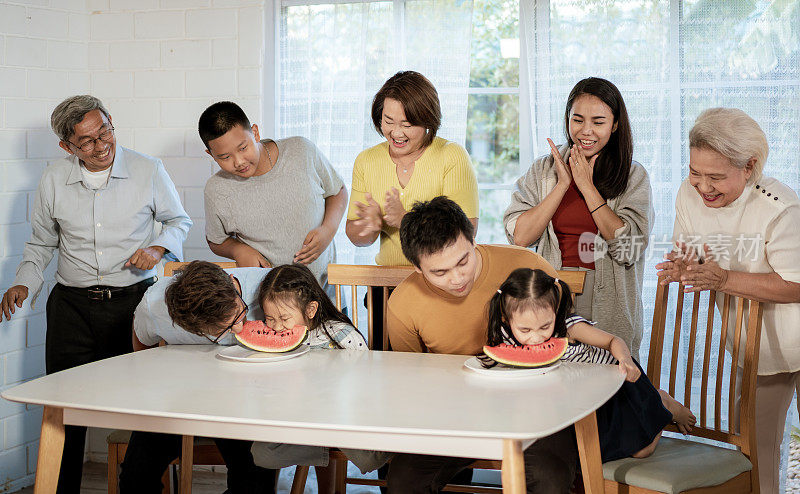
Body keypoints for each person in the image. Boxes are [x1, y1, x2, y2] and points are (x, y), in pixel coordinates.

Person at [0, 95, 192, 494]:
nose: (101, 145)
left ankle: (139, 487)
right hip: (72, 309)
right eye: (86, 142)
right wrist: (24, 282)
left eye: (105, 131)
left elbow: (178, 221)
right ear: (67, 147)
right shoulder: (53, 179)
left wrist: (158, 248)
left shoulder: (148, 169)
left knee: (146, 409)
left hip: (134, 305)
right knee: (65, 412)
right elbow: (40, 245)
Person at [385, 196, 575, 493]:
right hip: (454, 414)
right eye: (440, 272)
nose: (457, 277)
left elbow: (567, 333)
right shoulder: (403, 304)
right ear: (418, 269)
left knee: (548, 476)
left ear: (473, 240)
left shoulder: (527, 266)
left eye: (463, 260)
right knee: (402, 479)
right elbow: (412, 379)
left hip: (536, 409)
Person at [656, 108, 800, 494]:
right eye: (695, 172)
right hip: (755, 347)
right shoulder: (689, 195)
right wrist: (683, 267)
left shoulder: (780, 207)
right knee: (756, 455)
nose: (703, 186)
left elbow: (797, 284)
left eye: (717, 176)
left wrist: (723, 279)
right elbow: (691, 254)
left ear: (750, 166)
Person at [504, 77, 652, 357]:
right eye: (578, 120)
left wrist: (586, 185)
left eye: (598, 122)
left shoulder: (633, 176)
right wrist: (562, 184)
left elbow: (628, 248)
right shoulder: (544, 170)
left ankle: (664, 402)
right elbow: (519, 236)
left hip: (608, 302)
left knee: (611, 388)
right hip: (551, 298)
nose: (586, 131)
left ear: (616, 124)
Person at [483, 267, 696, 462]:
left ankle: (662, 403)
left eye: (545, 326)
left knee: (642, 451)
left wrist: (625, 360)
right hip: (580, 401)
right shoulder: (505, 334)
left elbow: (614, 341)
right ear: (506, 318)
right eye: (525, 331)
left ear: (555, 311)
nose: (537, 338)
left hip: (617, 386)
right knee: (594, 452)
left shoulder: (569, 327)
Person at [122, 261, 278, 493]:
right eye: (225, 329)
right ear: (191, 328)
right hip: (179, 398)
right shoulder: (154, 306)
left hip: (244, 400)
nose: (239, 329)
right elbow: (142, 346)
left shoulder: (271, 287)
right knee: (135, 478)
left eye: (240, 313)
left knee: (253, 481)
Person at [249, 264, 390, 494]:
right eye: (269, 318)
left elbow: (366, 380)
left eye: (284, 318)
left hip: (340, 419)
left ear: (311, 309)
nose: (277, 327)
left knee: (370, 460)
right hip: (296, 419)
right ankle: (323, 446)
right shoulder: (273, 341)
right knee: (261, 454)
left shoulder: (342, 335)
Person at [200, 101, 347, 292]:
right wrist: (238, 250)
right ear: (210, 154)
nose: (238, 162)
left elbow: (337, 190)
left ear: (255, 132)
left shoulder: (301, 151)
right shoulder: (216, 190)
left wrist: (329, 229)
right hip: (267, 306)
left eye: (243, 148)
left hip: (326, 294)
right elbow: (215, 240)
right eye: (225, 157)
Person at [346, 70, 479, 266]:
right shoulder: (366, 160)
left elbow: (466, 232)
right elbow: (356, 237)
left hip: (441, 282)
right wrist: (370, 226)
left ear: (428, 120)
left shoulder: (451, 155)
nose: (396, 133)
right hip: (385, 285)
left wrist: (405, 220)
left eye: (407, 125)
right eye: (388, 121)